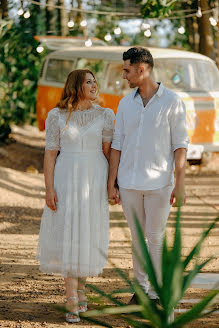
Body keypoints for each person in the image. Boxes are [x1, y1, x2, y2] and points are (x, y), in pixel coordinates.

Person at [108, 47, 189, 304]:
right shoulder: (124, 103)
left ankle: (156, 292)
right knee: (137, 239)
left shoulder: (172, 102)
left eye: (127, 70)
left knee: (155, 238)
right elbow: (117, 144)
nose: (124, 76)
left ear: (141, 70)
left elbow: (180, 145)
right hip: (129, 183)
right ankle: (142, 291)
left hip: (159, 185)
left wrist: (181, 184)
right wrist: (112, 183)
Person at [36, 69, 115, 323]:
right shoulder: (56, 116)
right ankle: (71, 297)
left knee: (86, 232)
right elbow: (50, 154)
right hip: (66, 177)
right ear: (75, 86)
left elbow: (108, 152)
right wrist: (49, 188)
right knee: (70, 231)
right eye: (88, 82)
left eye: (95, 81)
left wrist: (113, 184)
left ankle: (81, 289)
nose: (94, 85)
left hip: (94, 178)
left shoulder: (105, 115)